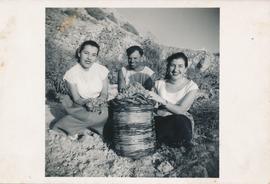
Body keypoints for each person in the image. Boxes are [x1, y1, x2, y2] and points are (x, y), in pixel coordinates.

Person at [53, 40, 109, 140]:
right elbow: (77, 99)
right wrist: (88, 103)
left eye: (93, 55)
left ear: (96, 57)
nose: (89, 58)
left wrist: (98, 101)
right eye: (86, 53)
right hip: (80, 106)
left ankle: (80, 128)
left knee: (106, 114)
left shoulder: (101, 70)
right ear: (79, 53)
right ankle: (66, 127)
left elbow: (104, 93)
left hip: (100, 105)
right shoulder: (71, 73)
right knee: (89, 116)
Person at [149, 52, 199, 148]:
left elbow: (181, 110)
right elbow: (152, 106)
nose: (176, 70)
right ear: (168, 67)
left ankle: (180, 146)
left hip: (180, 121)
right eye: (172, 65)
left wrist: (162, 101)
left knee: (178, 120)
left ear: (185, 69)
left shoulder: (191, 86)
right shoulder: (159, 84)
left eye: (180, 66)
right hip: (161, 120)